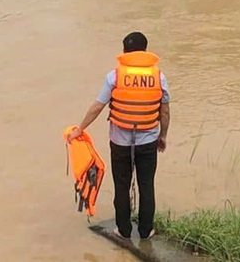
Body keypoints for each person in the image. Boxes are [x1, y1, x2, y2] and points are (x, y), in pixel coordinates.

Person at [69, 32, 170, 240]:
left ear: (124, 51)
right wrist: (163, 136)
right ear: (145, 50)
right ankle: (145, 231)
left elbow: (97, 107)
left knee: (122, 186)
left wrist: (80, 129)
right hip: (148, 142)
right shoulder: (159, 77)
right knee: (146, 186)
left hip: (120, 143)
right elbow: (165, 111)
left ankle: (123, 231)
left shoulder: (114, 76)